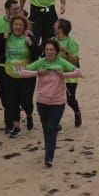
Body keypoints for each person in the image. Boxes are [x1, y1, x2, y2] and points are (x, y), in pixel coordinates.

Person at [25, 39, 76, 168]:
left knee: (52, 128)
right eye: (47, 49)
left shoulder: (61, 62)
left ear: (56, 51)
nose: (48, 52)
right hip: (42, 101)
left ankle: (49, 157)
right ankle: (48, 151)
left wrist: (64, 75)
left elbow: (78, 72)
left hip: (58, 101)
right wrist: (37, 73)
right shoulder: (41, 62)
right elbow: (23, 72)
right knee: (46, 128)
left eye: (51, 49)